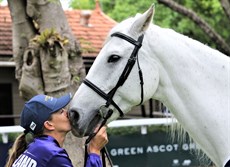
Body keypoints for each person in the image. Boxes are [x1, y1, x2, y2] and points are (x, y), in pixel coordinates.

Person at [5, 93, 108, 167]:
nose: (67, 112)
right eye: (60, 111)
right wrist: (94, 150)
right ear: (49, 125)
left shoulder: (36, 148)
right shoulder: (51, 153)